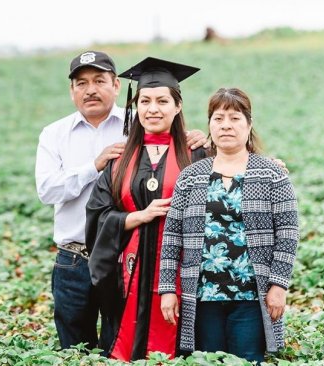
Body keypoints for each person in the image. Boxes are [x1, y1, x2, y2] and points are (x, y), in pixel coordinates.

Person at [35, 52, 208, 352]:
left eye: (99, 81)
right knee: (80, 346)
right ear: (72, 89)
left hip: (142, 266)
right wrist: (96, 165)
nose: (91, 89)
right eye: (82, 82)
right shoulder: (56, 134)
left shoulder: (137, 128)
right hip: (79, 258)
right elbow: (48, 191)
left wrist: (198, 139)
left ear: (116, 86)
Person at [158, 87, 299, 362]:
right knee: (208, 359)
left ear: (248, 123)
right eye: (218, 118)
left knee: (247, 359)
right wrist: (167, 289)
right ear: (209, 124)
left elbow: (288, 234)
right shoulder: (191, 176)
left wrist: (278, 286)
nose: (226, 125)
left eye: (234, 118)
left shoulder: (271, 174)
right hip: (202, 295)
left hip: (251, 295)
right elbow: (172, 236)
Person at [85, 56, 207, 361]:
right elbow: (97, 216)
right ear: (135, 105)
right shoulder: (119, 159)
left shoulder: (198, 154)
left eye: (162, 101)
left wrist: (273, 167)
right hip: (128, 276)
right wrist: (137, 216)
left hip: (184, 275)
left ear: (178, 106)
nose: (153, 109)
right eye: (145, 101)